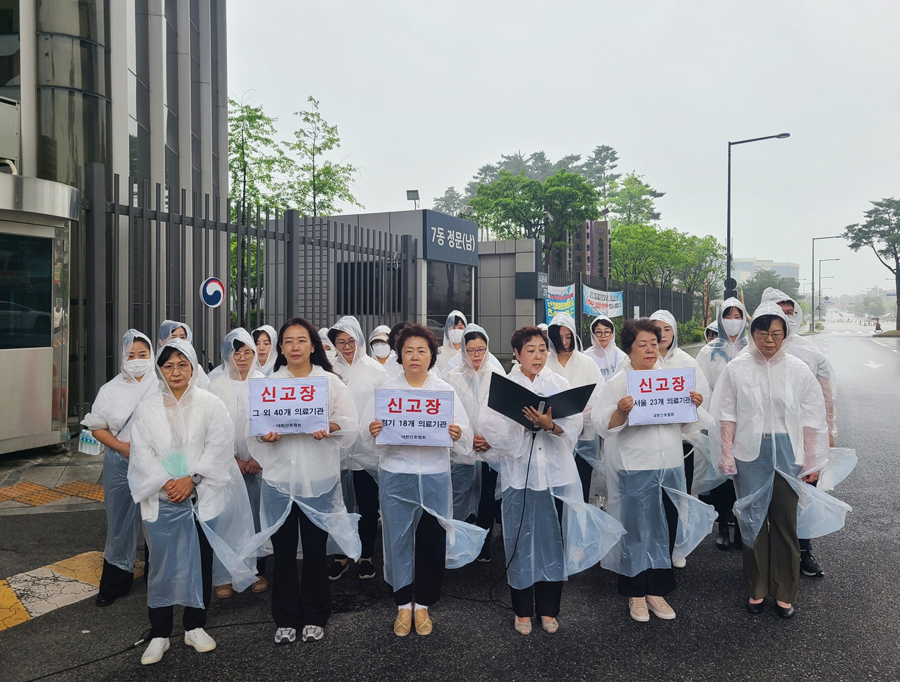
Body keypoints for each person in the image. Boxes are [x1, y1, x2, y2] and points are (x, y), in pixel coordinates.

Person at [480, 326, 624, 635]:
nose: (537, 356)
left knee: (552, 542)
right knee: (520, 541)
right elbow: (491, 429)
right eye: (530, 350)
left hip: (555, 477)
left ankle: (548, 609)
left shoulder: (559, 384)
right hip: (519, 477)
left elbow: (572, 426)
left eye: (542, 350)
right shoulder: (504, 386)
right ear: (516, 354)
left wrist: (550, 426)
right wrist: (523, 426)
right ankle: (521, 610)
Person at [712, 302, 849, 618]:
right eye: (763, 333)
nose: (769, 340)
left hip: (789, 453)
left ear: (785, 334)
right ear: (753, 333)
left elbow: (812, 417)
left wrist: (813, 461)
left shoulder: (798, 369)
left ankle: (785, 592)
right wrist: (726, 452)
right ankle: (757, 588)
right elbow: (727, 413)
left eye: (776, 333)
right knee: (752, 521)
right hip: (750, 453)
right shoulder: (737, 368)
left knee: (786, 522)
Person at [128, 339, 257, 665]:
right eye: (168, 365)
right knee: (160, 565)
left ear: (192, 367)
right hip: (163, 498)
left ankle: (194, 626)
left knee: (198, 561)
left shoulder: (210, 404)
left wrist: (192, 479)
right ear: (161, 370)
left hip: (201, 497)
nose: (175, 371)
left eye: (182, 364)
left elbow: (219, 447)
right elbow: (142, 454)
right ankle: (159, 633)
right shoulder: (147, 408)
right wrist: (167, 482)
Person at [362, 323, 486, 637]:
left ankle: (424, 605)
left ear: (431, 355)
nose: (415, 356)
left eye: (421, 350)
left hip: (434, 476)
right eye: (408, 351)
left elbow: (465, 433)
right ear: (399, 356)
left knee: (431, 542)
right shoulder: (387, 391)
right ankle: (403, 604)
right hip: (397, 475)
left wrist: (458, 433)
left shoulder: (443, 391)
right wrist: (374, 432)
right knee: (397, 539)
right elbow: (366, 437)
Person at [243, 318, 361, 645]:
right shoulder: (268, 385)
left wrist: (330, 427)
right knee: (282, 553)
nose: (295, 347)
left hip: (318, 480)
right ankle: (284, 617)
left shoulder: (329, 383)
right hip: (280, 481)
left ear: (313, 345)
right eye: (289, 342)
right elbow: (252, 431)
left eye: (301, 340)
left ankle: (315, 615)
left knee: (314, 550)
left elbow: (350, 424)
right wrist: (265, 438)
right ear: (281, 348)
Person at [592, 319, 715, 624]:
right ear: (629, 349)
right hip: (635, 465)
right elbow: (600, 423)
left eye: (654, 343)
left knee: (665, 528)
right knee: (636, 529)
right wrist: (620, 410)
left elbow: (687, 425)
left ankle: (656, 590)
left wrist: (694, 406)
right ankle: (635, 592)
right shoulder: (619, 383)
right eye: (642, 344)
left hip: (670, 464)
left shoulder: (672, 380)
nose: (650, 349)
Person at [759, 287, 838, 578]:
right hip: (764, 438)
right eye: (780, 310)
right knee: (766, 496)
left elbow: (825, 392)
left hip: (803, 436)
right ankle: (767, 554)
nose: (787, 317)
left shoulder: (809, 350)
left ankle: (803, 550)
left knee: (803, 492)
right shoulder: (752, 350)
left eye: (791, 312)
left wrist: (828, 429)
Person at [82, 330, 158, 607]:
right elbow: (97, 427)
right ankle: (115, 582)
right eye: (131, 355)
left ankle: (157, 579)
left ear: (151, 355)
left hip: (156, 462)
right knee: (119, 522)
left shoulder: (161, 383)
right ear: (123, 357)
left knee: (156, 519)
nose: (137, 360)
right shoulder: (110, 389)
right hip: (120, 460)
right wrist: (121, 447)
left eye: (143, 355)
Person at [208, 329, 269, 598]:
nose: (242, 358)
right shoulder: (216, 386)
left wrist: (257, 457)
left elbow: (273, 424)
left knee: (256, 518)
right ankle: (223, 576)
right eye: (236, 352)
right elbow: (210, 430)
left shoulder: (265, 383)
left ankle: (255, 570)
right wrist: (234, 460)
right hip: (226, 464)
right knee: (226, 517)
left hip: (259, 464)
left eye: (247, 352)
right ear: (226, 354)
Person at [327, 316, 389, 581]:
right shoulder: (329, 370)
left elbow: (386, 405)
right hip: (336, 452)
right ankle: (341, 555)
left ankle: (365, 556)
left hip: (366, 452)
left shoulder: (375, 370)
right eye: (341, 342)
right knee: (338, 506)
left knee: (365, 504)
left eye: (351, 341)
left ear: (360, 340)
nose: (347, 346)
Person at [695, 298, 749, 550]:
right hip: (717, 422)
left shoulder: (752, 348)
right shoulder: (708, 352)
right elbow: (702, 387)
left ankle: (741, 526)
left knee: (745, 474)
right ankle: (723, 526)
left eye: (739, 315)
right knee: (721, 475)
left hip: (748, 422)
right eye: (729, 314)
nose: (734, 320)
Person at [444, 324, 506, 533]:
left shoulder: (497, 375)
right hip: (461, 447)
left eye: (481, 349)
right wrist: (467, 437)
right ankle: (459, 538)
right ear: (463, 350)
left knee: (487, 496)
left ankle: (484, 541)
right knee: (460, 494)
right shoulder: (452, 377)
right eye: (471, 350)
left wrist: (490, 439)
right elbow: (447, 413)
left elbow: (505, 415)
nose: (476, 354)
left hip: (489, 448)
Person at [649, 310, 712, 496]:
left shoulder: (687, 362)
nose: (662, 334)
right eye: (656, 329)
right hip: (649, 442)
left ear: (674, 331)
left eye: (667, 329)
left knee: (678, 494)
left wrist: (696, 404)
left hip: (683, 442)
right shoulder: (640, 361)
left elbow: (703, 397)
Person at [545, 313, 605, 502]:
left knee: (581, 484)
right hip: (550, 437)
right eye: (559, 337)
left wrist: (577, 419)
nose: (564, 342)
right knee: (554, 488)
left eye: (568, 337)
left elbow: (598, 397)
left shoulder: (587, 363)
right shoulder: (544, 363)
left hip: (584, 437)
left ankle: (579, 528)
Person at [157, 320, 211, 389]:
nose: (178, 341)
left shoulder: (196, 368)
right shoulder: (154, 368)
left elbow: (206, 389)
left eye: (182, 337)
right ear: (161, 342)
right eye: (173, 337)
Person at [584, 314, 628, 380]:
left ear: (612, 334)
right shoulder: (586, 356)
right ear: (593, 334)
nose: (603, 336)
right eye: (598, 332)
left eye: (607, 332)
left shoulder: (620, 356)